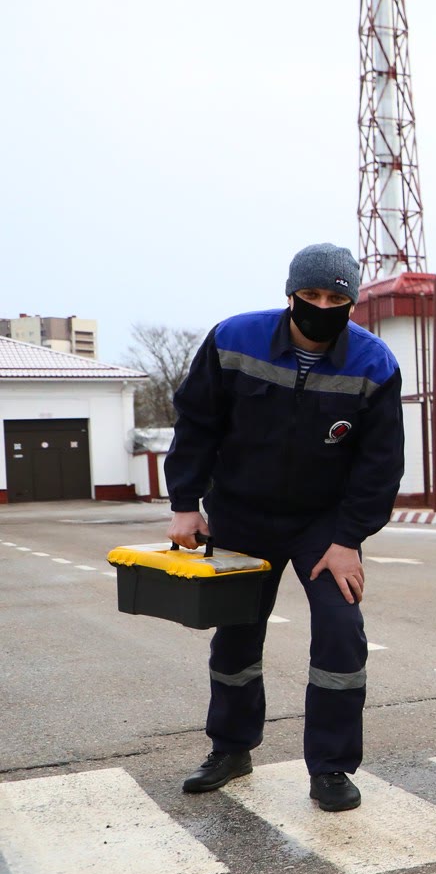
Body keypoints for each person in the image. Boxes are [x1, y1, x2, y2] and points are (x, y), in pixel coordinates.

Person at [166, 244, 405, 811]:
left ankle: (331, 768)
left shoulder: (374, 364)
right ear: (291, 295)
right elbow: (196, 423)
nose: (323, 306)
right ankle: (231, 748)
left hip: (323, 524)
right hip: (243, 514)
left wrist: (349, 541)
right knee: (237, 638)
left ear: (352, 302)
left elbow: (380, 464)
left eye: (337, 298)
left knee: (342, 633)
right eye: (312, 295)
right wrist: (184, 504)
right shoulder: (234, 340)